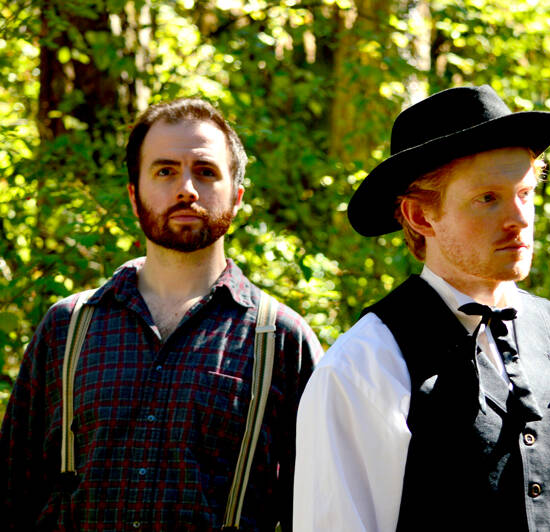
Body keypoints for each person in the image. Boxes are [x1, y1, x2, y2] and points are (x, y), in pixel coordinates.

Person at [294, 85, 550, 531]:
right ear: (420, 216)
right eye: (487, 198)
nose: (520, 218)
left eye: (526, 193)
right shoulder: (364, 366)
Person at [0, 98, 323, 530]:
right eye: (165, 170)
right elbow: (11, 495)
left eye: (206, 172)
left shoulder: (282, 340)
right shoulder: (66, 327)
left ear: (237, 195)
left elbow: (317, 510)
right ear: (135, 196)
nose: (187, 188)